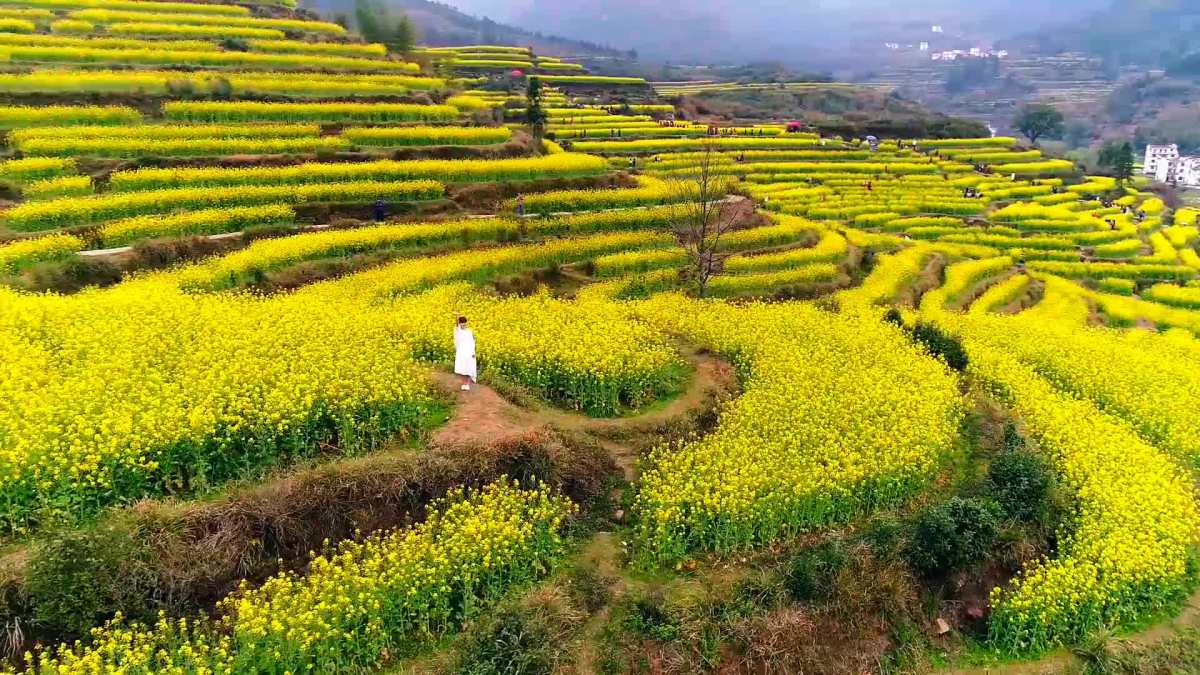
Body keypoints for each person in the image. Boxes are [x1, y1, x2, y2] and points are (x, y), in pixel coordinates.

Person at [454, 316, 476, 391]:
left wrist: (473, 352)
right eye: (462, 324)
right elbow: (456, 325)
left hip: (470, 352)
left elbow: (473, 341)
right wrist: (456, 316)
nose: (464, 325)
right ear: (460, 324)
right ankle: (464, 383)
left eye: (465, 324)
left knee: (469, 367)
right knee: (462, 368)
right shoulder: (458, 330)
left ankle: (468, 384)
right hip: (461, 352)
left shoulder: (470, 331)